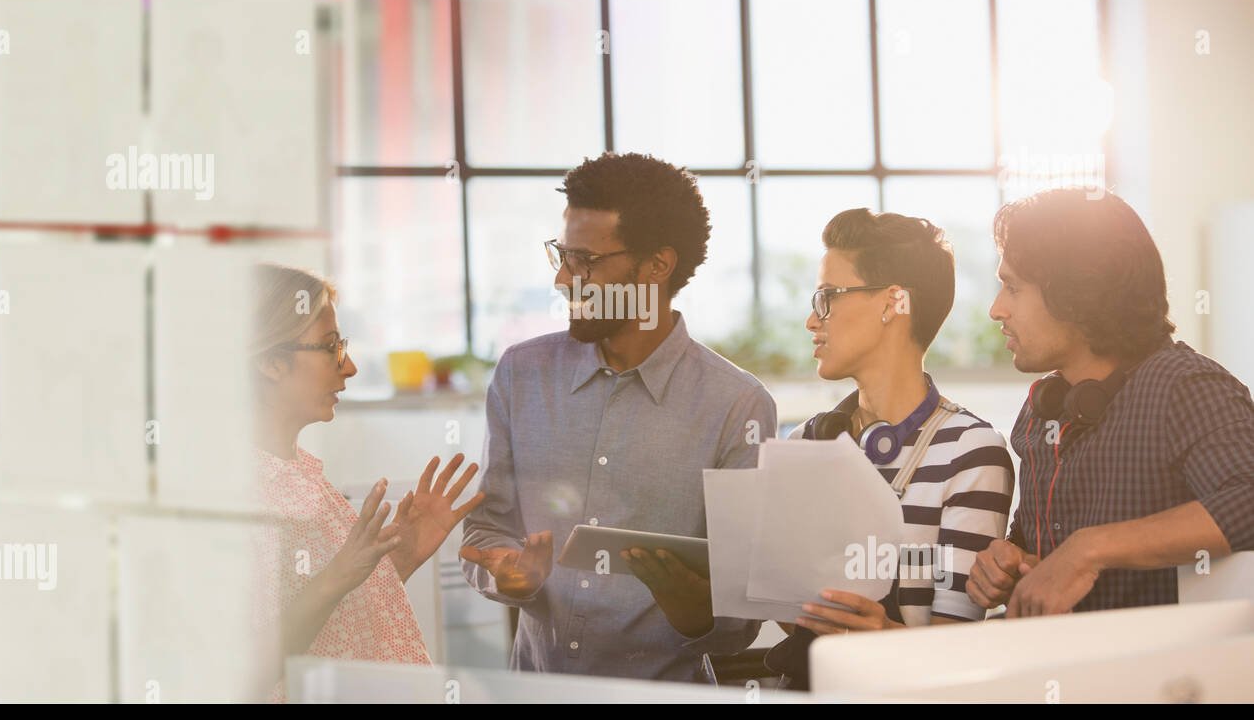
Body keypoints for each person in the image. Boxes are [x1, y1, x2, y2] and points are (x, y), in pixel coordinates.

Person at [459, 152, 776, 682]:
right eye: (561, 255)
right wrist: (506, 576)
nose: (563, 278)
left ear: (656, 265)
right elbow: (487, 528)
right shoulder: (521, 373)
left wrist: (693, 606)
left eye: (584, 260)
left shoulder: (737, 405)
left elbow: (745, 608)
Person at [968, 188, 1254, 617]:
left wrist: (1090, 548)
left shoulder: (1187, 386)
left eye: (1012, 287)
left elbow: (1246, 500)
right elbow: (1035, 537)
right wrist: (1010, 560)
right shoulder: (1043, 407)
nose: (996, 309)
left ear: (1076, 293)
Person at [765, 208, 1014, 689]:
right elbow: (788, 614)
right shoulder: (807, 442)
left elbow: (956, 652)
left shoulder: (970, 452)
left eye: (828, 298)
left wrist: (879, 634)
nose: (811, 319)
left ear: (891, 303)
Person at [251, 263, 485, 700]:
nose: (351, 367)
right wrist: (339, 574)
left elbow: (325, 622)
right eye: (329, 348)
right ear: (269, 361)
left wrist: (396, 562)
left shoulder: (301, 476)